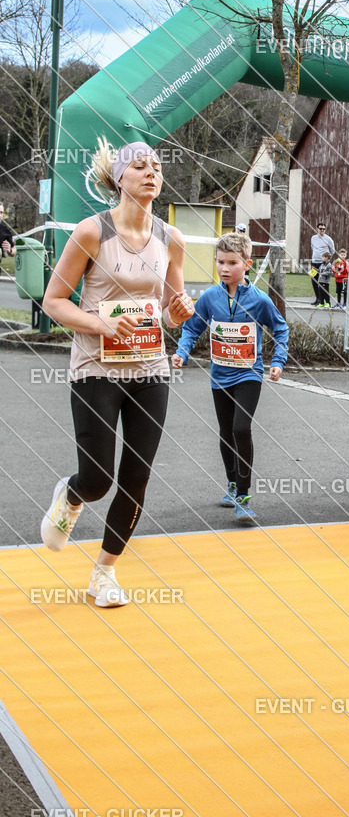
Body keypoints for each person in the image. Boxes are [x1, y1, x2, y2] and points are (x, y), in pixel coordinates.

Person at [40, 140, 195, 606]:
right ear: (119, 178)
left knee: (137, 477)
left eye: (158, 167)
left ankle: (104, 572)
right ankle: (71, 495)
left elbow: (170, 310)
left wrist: (180, 312)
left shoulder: (173, 239)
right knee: (99, 479)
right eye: (141, 166)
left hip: (150, 369)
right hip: (97, 369)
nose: (152, 172)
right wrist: (100, 323)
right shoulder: (92, 232)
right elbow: (53, 302)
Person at [172, 231, 288, 522]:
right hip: (220, 375)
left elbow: (281, 328)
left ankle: (244, 496)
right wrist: (181, 352)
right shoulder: (210, 298)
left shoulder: (259, 300)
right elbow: (191, 327)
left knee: (240, 428)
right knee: (225, 434)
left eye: (232, 262)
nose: (224, 268)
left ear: (247, 264)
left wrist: (278, 361)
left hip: (249, 375)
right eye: (220, 262)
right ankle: (232, 483)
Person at [310, 221, 335, 306]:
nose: (322, 230)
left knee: (322, 282)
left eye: (324, 229)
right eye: (320, 229)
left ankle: (324, 300)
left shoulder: (328, 239)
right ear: (317, 229)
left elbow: (332, 251)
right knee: (314, 280)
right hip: (314, 262)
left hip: (322, 263)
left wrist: (326, 259)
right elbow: (313, 247)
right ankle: (318, 298)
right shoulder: (313, 238)